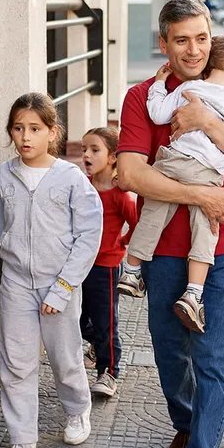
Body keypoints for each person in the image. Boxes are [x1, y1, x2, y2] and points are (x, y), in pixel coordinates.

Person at [117, 0, 224, 448]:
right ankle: (187, 423)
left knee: (215, 360)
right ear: (164, 43)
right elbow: (131, 175)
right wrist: (201, 195)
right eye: (182, 40)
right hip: (162, 251)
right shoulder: (143, 98)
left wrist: (208, 120)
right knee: (168, 353)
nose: (195, 49)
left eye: (201, 38)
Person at [0, 92, 103, 448]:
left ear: (52, 133)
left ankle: (76, 411)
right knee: (15, 365)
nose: (26, 137)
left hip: (61, 286)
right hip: (17, 283)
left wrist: (63, 289)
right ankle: (22, 442)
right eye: (18, 128)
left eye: (35, 129)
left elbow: (88, 237)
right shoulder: (5, 175)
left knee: (65, 358)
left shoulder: (71, 178)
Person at [118, 32, 224, 334]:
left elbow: (158, 113)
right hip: (206, 173)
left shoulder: (191, 88)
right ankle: (193, 293)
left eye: (201, 38)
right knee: (205, 229)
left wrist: (158, 86)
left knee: (153, 212)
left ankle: (130, 270)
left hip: (174, 162)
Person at [80, 126, 138, 397]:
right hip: (80, 264)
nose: (86, 155)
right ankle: (97, 346)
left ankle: (109, 372)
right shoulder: (83, 186)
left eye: (94, 150)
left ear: (113, 157)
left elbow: (137, 224)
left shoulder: (120, 194)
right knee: (79, 320)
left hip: (106, 267)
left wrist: (122, 244)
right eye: (84, 150)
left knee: (106, 322)